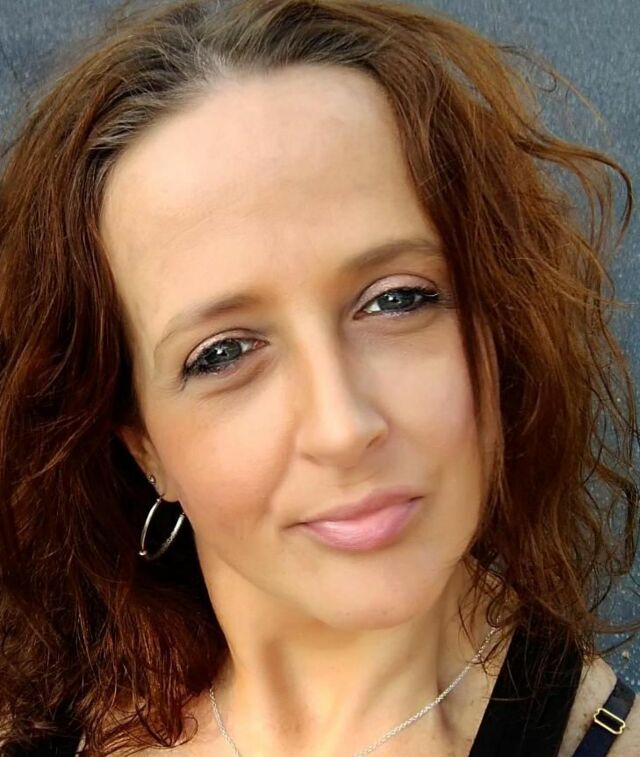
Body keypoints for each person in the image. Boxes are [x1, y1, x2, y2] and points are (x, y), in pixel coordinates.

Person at [0, 0, 638, 754]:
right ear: (144, 446)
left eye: (397, 300)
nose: (342, 428)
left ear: (499, 324)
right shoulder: (35, 718)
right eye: (223, 353)